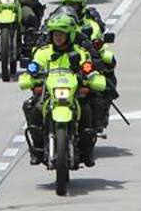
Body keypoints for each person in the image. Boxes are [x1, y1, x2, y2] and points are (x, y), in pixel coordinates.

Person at [20, 13, 106, 167]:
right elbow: (33, 68)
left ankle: (87, 151)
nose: (58, 37)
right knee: (33, 109)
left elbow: (89, 69)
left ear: (70, 35)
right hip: (49, 95)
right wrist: (31, 78)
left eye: (61, 34)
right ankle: (37, 150)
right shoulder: (43, 52)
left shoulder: (80, 52)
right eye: (55, 34)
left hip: (73, 96)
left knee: (87, 110)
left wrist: (91, 78)